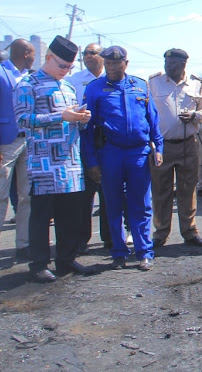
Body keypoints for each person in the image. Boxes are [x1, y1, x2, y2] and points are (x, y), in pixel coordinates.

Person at [14, 36, 95, 282]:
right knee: (41, 216)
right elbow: (23, 120)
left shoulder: (68, 86)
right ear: (48, 57)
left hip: (69, 163)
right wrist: (61, 117)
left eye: (70, 67)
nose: (66, 71)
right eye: (62, 66)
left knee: (69, 215)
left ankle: (66, 259)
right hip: (43, 164)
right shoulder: (28, 84)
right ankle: (39, 263)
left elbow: (70, 118)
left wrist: (80, 118)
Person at [81, 46, 163, 271]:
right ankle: (118, 252)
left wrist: (159, 148)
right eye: (108, 64)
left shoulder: (139, 85)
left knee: (141, 204)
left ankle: (144, 252)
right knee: (113, 204)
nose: (112, 68)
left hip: (138, 153)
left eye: (117, 64)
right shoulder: (95, 89)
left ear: (126, 63)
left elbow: (152, 119)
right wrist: (92, 162)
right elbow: (87, 131)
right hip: (111, 153)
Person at [148, 48, 202, 248]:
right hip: (162, 146)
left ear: (183, 64)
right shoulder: (154, 83)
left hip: (188, 145)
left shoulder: (196, 84)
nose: (168, 67)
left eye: (172, 64)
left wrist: (194, 116)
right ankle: (160, 233)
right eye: (166, 63)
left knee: (187, 190)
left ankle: (190, 232)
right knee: (161, 191)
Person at [0, 39, 35, 268]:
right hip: (6, 142)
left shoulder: (29, 76)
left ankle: (23, 243)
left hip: (29, 141)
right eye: (33, 53)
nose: (34, 57)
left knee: (27, 195)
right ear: (26, 53)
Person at [66, 43, 108, 254]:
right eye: (85, 53)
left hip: (108, 143)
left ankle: (110, 238)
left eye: (93, 53)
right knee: (84, 196)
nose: (88, 57)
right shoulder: (74, 81)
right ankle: (81, 240)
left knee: (109, 193)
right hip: (84, 142)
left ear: (103, 56)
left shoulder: (112, 78)